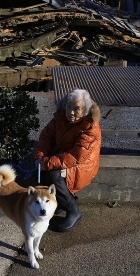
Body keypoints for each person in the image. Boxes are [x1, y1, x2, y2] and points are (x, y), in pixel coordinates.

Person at [30, 88, 101, 232]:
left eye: (77, 109)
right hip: (63, 155)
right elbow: (46, 137)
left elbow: (76, 156)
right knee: (40, 173)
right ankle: (58, 203)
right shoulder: (60, 117)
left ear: (85, 110)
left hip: (82, 164)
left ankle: (73, 210)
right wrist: (39, 157)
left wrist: (48, 163)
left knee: (52, 175)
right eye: (69, 107)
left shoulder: (90, 127)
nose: (71, 112)